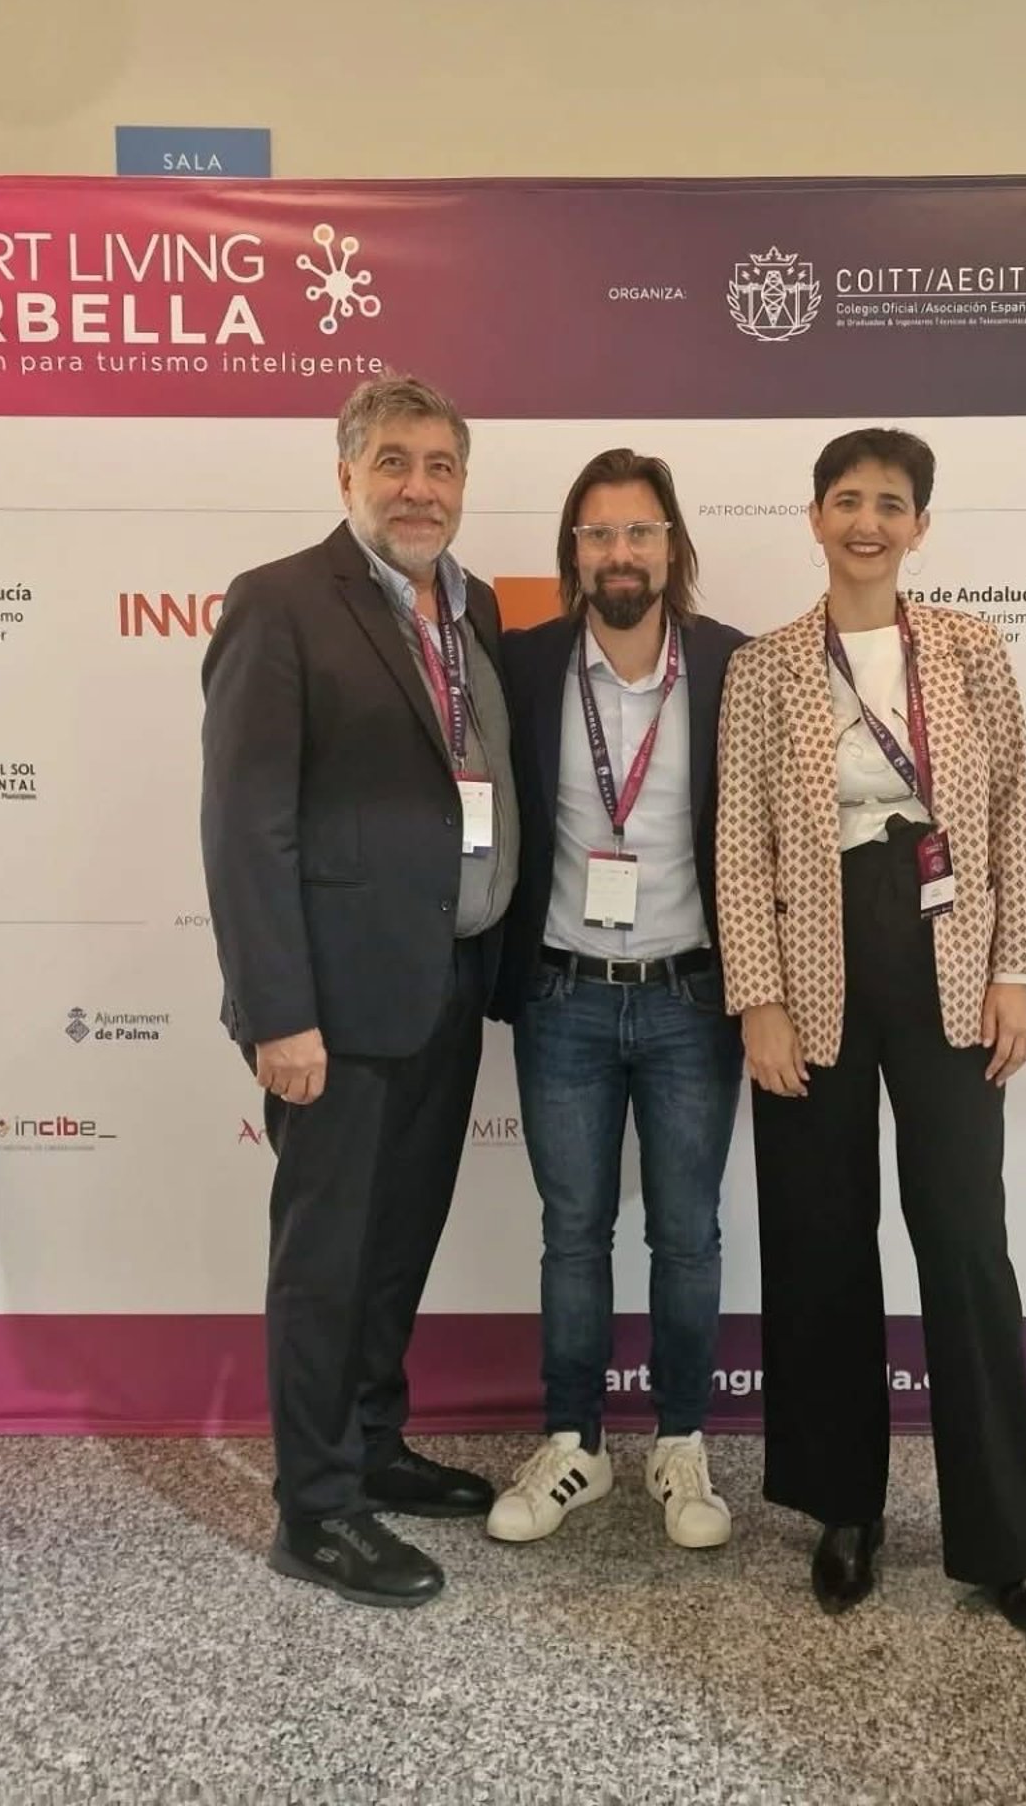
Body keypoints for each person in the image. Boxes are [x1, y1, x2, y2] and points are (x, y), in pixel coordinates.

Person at [715, 427, 1026, 1643]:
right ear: (815, 517)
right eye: (848, 500)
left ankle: (1005, 1539)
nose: (868, 522)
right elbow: (740, 841)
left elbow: (1012, 814)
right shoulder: (763, 667)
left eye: (892, 504)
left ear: (920, 526)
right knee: (819, 1237)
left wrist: (1015, 971)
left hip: (948, 955)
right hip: (812, 957)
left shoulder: (971, 649)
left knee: (965, 1241)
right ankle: (843, 1509)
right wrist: (758, 999)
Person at [200, 374, 516, 1608]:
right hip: (330, 1008)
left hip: (447, 983)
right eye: (394, 462)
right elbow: (245, 827)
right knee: (327, 1259)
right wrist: (278, 1013)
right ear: (347, 475)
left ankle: (373, 1444)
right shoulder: (280, 603)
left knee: (397, 1245)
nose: (418, 488)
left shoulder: (474, 608)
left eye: (440, 466)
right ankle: (317, 1507)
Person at [485, 448, 747, 1549]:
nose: (620, 552)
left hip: (693, 999)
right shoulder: (522, 664)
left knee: (687, 1236)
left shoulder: (732, 666)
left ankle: (680, 1443)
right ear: (574, 553)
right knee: (572, 1234)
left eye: (639, 531)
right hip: (564, 998)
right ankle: (575, 1444)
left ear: (672, 547)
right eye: (598, 534)